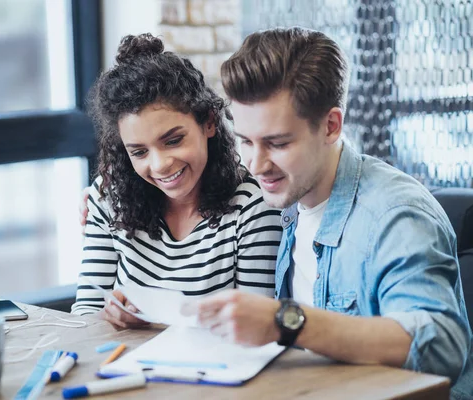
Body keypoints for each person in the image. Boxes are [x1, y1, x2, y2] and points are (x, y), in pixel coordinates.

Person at [178, 27, 472, 399]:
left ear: (331, 126)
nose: (256, 164)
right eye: (245, 141)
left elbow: (441, 346)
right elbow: (182, 183)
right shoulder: (286, 193)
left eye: (278, 143)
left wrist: (285, 322)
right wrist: (106, 195)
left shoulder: (396, 214)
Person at [71, 34, 282, 329]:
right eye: (139, 152)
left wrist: (153, 327)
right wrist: (109, 317)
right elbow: (83, 314)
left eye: (173, 140)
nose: (159, 165)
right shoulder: (107, 199)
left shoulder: (252, 208)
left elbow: (258, 328)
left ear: (208, 122)